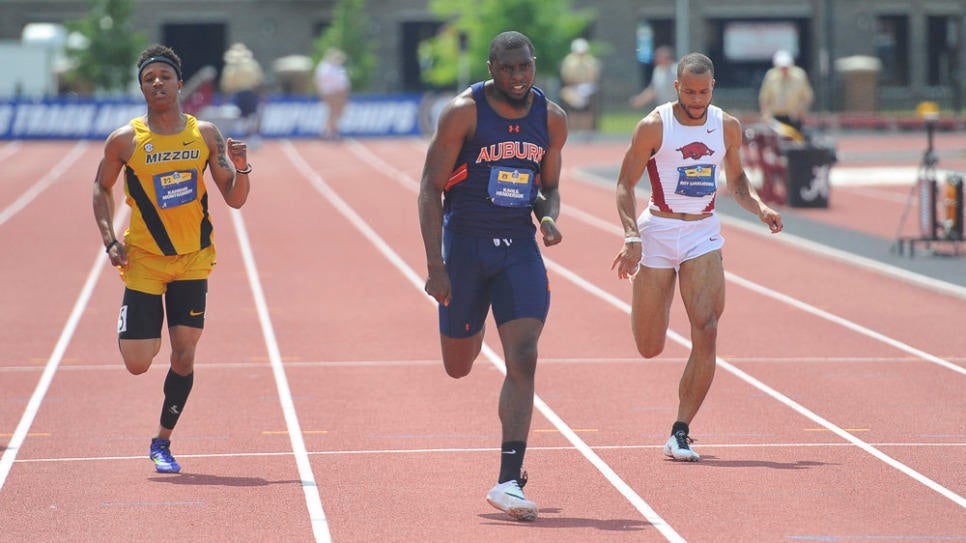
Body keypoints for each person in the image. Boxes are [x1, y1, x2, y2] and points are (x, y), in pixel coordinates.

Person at [417, 31, 567, 520]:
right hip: (465, 248)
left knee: (523, 356)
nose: (518, 77)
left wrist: (547, 217)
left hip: (518, 249)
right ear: (491, 68)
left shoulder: (551, 119)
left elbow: (549, 188)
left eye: (525, 67)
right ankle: (470, 318)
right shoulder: (463, 112)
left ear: (534, 65)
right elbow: (429, 188)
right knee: (458, 365)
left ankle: (508, 480)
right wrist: (436, 267)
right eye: (508, 69)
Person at [611, 53, 782, 462]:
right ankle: (651, 288)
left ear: (713, 88)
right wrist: (631, 234)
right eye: (689, 91)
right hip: (658, 230)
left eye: (703, 92)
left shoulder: (725, 126)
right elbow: (623, 184)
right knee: (649, 346)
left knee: (706, 328)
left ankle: (680, 431)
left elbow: (737, 180)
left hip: (702, 232)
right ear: (676, 88)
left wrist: (760, 208)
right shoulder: (655, 125)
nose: (696, 98)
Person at [91, 44, 253, 474]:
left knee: (184, 355)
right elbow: (100, 188)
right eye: (149, 78)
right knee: (138, 363)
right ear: (142, 88)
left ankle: (162, 442)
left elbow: (234, 199)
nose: (157, 83)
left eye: (164, 76)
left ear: (180, 84)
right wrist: (110, 239)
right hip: (144, 259)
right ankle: (135, 321)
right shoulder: (126, 140)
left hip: (193, 259)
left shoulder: (205, 135)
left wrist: (242, 167)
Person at [758, 50, 814, 136]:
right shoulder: (771, 76)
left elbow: (807, 96)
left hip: (794, 117)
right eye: (782, 67)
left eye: (786, 67)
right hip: (776, 118)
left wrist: (802, 110)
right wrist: (765, 113)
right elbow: (764, 97)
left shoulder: (799, 76)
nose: (784, 70)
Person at [220, 42, 264, 147]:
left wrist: (224, 99)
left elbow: (226, 85)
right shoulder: (252, 65)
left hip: (240, 94)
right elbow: (258, 80)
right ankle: (253, 136)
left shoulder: (230, 68)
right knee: (253, 115)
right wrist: (261, 94)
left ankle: (249, 136)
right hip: (250, 92)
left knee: (245, 116)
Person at [559, 37, 601, 132]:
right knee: (571, 104)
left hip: (588, 87)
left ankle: (586, 131)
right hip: (573, 87)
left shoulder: (591, 61)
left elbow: (594, 77)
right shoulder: (569, 61)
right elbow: (567, 77)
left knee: (587, 108)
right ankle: (573, 130)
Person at [313, 48, 351, 140]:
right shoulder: (324, 67)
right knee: (333, 111)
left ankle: (331, 129)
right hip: (330, 92)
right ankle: (328, 131)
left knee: (337, 112)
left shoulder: (338, 67)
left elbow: (343, 81)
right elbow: (320, 81)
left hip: (339, 93)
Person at [630, 45, 676, 110]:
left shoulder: (676, 71)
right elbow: (653, 90)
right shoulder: (658, 71)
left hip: (677, 107)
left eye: (658, 57)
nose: (656, 59)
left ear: (667, 58)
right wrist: (640, 99)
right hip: (664, 108)